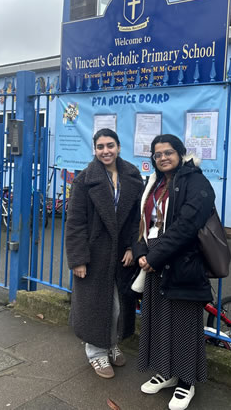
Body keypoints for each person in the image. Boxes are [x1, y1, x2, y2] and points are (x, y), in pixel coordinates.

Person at [133, 134, 215, 410]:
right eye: (157, 154)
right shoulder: (154, 183)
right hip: (152, 259)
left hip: (182, 261)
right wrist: (141, 251)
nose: (163, 158)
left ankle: (186, 381)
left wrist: (155, 257)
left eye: (168, 152)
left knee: (183, 323)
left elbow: (187, 226)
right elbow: (142, 221)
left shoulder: (196, 182)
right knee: (158, 319)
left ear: (180, 153)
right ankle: (166, 371)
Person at [65, 128, 143, 379]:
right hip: (94, 254)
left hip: (121, 255)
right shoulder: (84, 180)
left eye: (110, 145)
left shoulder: (132, 175)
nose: (105, 151)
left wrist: (132, 247)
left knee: (118, 305)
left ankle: (111, 343)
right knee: (95, 306)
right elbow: (75, 222)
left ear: (118, 147)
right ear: (95, 149)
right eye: (100, 147)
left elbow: (137, 218)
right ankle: (96, 352)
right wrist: (78, 259)